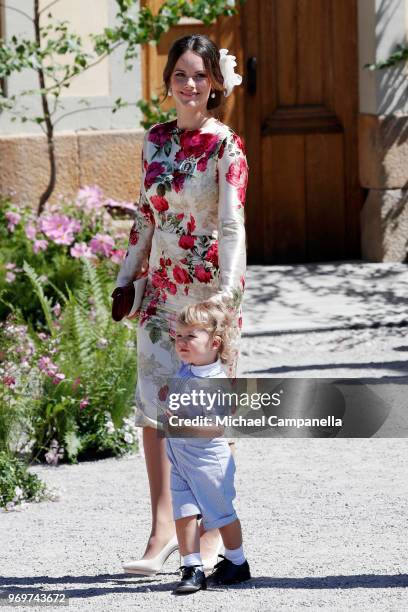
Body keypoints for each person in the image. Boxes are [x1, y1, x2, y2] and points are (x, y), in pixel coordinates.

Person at [116, 33, 248, 575]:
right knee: (155, 411)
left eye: (199, 75)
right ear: (168, 82)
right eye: (180, 75)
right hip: (161, 297)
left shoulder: (227, 146)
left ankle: (214, 532)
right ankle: (162, 529)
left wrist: (225, 296)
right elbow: (146, 216)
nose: (190, 85)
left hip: (208, 300)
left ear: (213, 82)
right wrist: (127, 278)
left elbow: (233, 224)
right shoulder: (154, 140)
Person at [165, 302, 251, 594]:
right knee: (184, 513)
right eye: (179, 336)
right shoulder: (186, 371)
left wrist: (181, 424)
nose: (182, 342)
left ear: (214, 343)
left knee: (221, 514)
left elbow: (216, 428)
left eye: (191, 336)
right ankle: (191, 568)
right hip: (180, 459)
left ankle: (237, 562)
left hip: (209, 461)